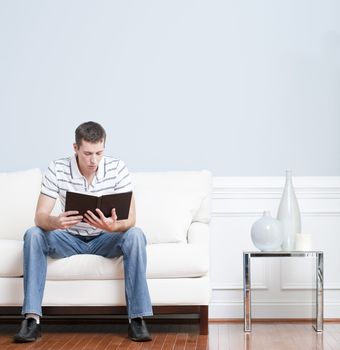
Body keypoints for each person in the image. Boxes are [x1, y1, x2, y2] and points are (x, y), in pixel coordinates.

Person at [14, 121, 153, 343]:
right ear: (75, 148)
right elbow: (39, 217)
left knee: (136, 235)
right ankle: (31, 319)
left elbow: (131, 219)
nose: (94, 160)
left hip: (105, 238)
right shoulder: (57, 168)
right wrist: (55, 221)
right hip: (68, 238)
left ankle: (137, 319)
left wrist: (112, 227)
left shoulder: (118, 169)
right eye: (88, 153)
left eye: (99, 153)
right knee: (33, 234)